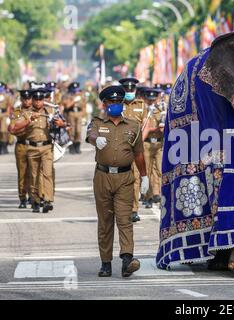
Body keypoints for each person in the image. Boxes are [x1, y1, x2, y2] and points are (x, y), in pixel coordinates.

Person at [86, 85, 149, 278]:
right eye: (111, 102)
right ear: (104, 104)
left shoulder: (133, 126)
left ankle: (127, 259)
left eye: (118, 102)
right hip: (103, 177)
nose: (115, 105)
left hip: (125, 178)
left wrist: (145, 176)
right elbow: (90, 134)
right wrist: (96, 140)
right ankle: (106, 263)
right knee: (105, 221)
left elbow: (138, 153)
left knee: (125, 219)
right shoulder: (97, 122)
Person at [18, 89, 66, 213]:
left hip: (47, 148)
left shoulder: (50, 112)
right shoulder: (26, 113)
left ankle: (48, 200)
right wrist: (28, 120)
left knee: (47, 173)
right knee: (33, 175)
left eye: (41, 100)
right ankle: (35, 199)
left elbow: (65, 124)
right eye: (36, 100)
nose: (38, 102)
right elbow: (15, 127)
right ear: (32, 100)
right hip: (32, 148)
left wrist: (61, 124)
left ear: (43, 100)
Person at [119, 78, 148, 223]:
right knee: (121, 180)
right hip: (121, 148)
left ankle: (134, 210)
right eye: (126, 90)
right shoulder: (117, 104)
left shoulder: (142, 105)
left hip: (136, 148)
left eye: (131, 90)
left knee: (135, 178)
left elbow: (146, 125)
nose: (129, 92)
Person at [8, 89, 33, 208]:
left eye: (29, 98)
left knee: (33, 173)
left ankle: (33, 196)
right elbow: (12, 129)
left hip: (34, 145)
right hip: (21, 145)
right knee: (22, 173)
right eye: (25, 99)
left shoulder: (37, 111)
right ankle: (22, 198)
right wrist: (25, 123)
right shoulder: (17, 112)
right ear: (22, 99)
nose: (27, 101)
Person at [140, 87, 164, 209]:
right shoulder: (143, 111)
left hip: (159, 143)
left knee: (159, 170)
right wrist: (154, 129)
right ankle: (148, 196)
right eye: (149, 100)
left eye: (153, 100)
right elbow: (143, 128)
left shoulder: (160, 111)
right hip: (147, 144)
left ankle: (158, 194)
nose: (151, 102)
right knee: (147, 170)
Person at [62, 82, 86, 154]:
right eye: (74, 88)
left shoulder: (81, 95)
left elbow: (84, 106)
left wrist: (84, 116)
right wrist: (74, 100)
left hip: (78, 113)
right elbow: (67, 106)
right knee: (71, 131)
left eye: (76, 88)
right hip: (70, 114)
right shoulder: (67, 95)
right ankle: (71, 147)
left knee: (78, 131)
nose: (76, 90)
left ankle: (77, 146)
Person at [0, 82, 13, 155]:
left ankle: (4, 146)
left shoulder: (7, 96)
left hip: (4, 114)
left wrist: (8, 114)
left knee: (3, 130)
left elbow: (9, 106)